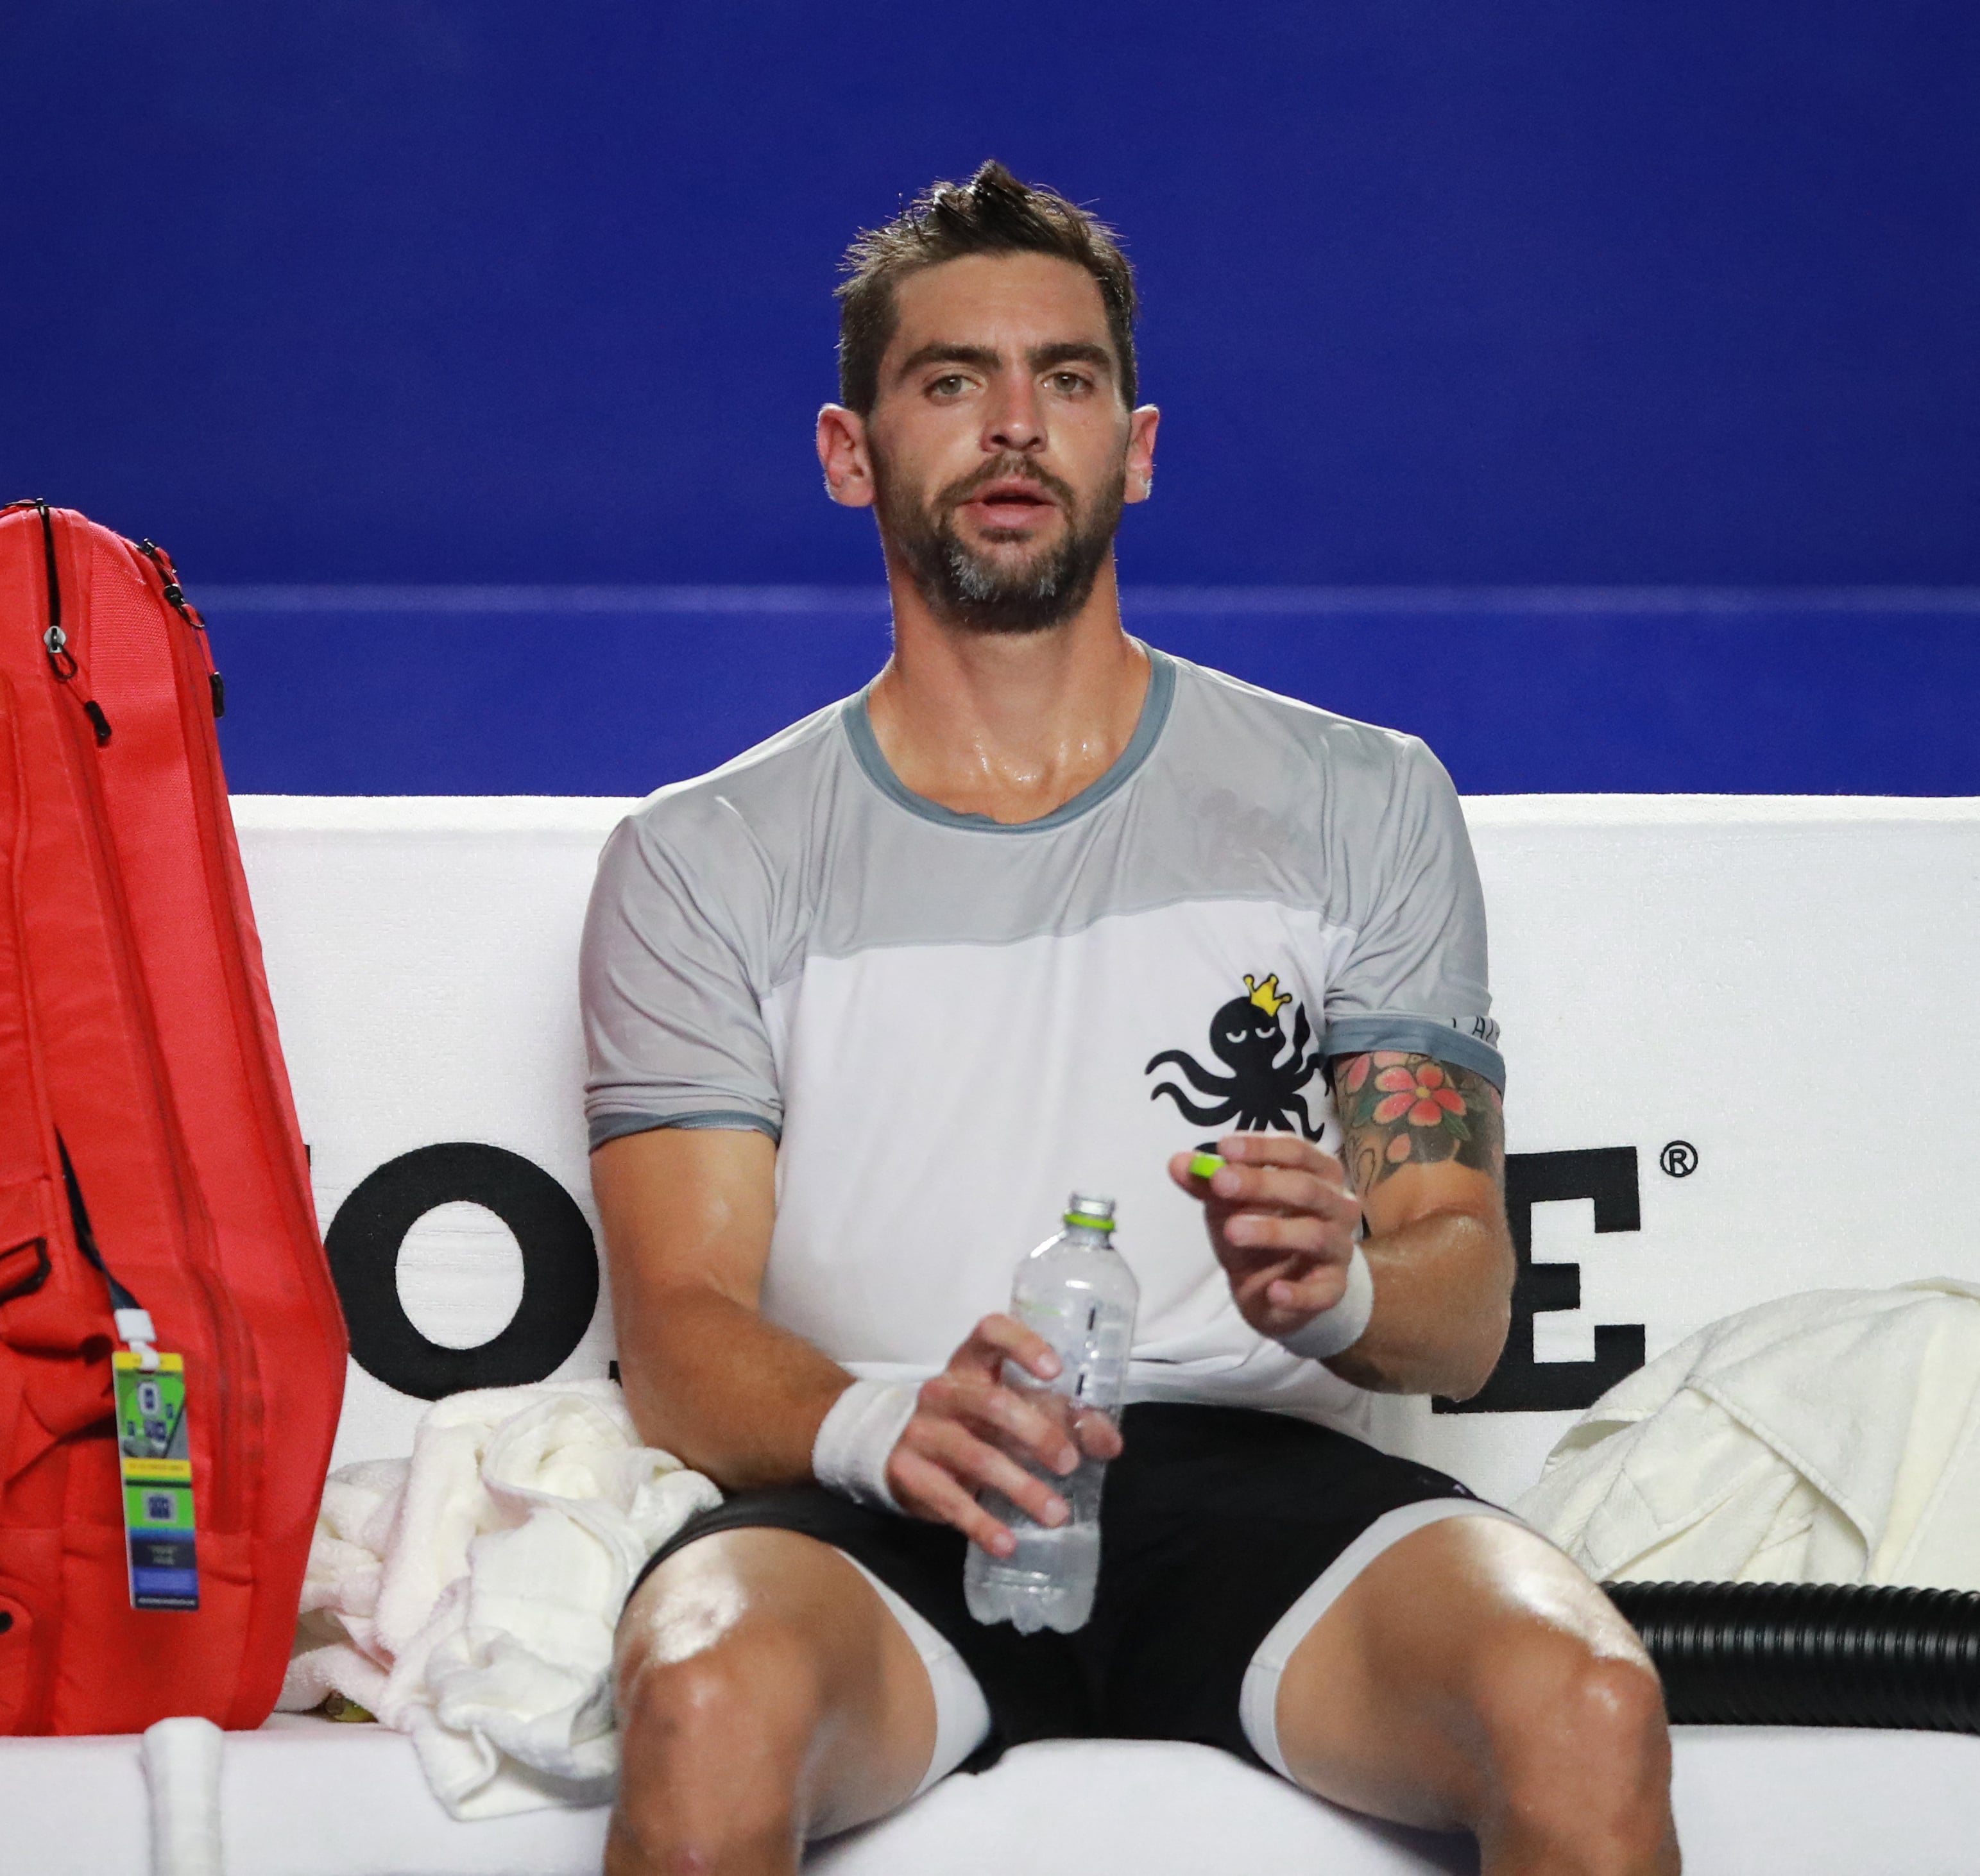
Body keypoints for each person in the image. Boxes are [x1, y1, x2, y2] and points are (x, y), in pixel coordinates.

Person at [581, 162, 1677, 1875]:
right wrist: (883, 1427)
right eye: (953, 381)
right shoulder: (702, 854)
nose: (1016, 426)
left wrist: (1357, 1284)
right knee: (709, 1696)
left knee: (1587, 1701)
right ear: (848, 451)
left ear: (1136, 444)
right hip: (884, 1483)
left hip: (1256, 1485)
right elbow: (680, 1331)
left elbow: (1462, 1308)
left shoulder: (1356, 796)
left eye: (1067, 379)